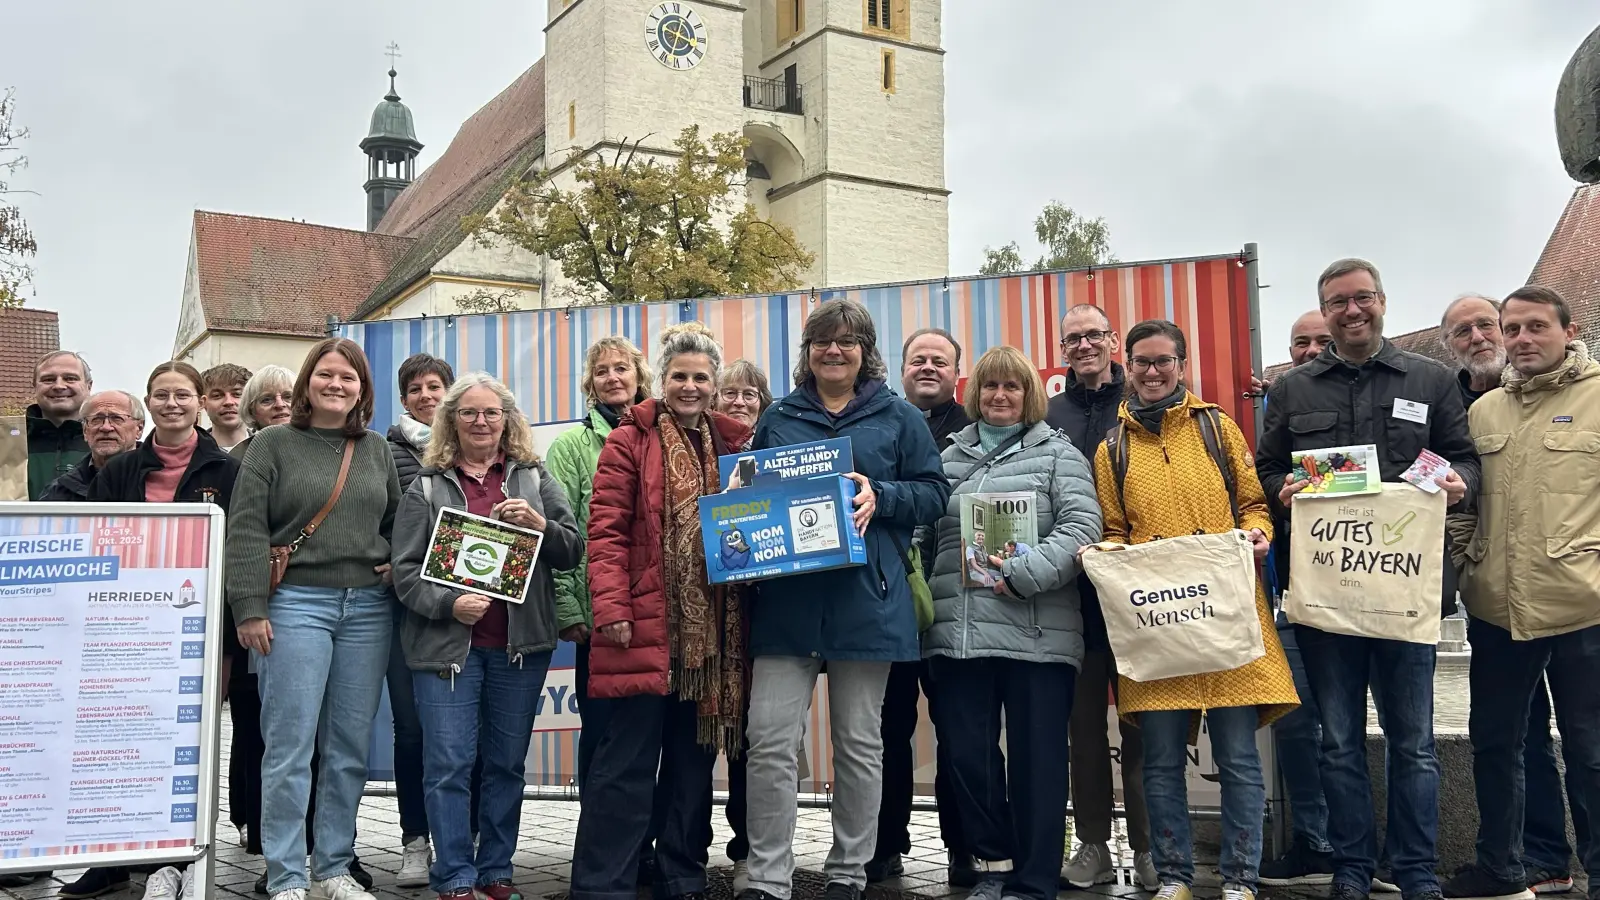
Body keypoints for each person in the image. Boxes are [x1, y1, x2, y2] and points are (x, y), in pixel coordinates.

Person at [1257, 258, 1480, 900]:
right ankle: (1352, 868)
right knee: (1339, 742)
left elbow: (1463, 458)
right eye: (1337, 303)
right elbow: (1267, 470)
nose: (1351, 311)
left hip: (1405, 597)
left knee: (1413, 743)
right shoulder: (1294, 390)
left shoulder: (1432, 379)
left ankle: (1414, 870)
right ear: (1323, 312)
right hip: (1327, 601)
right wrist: (1285, 490)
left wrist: (1461, 484)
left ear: (1382, 300)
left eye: (1362, 299)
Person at [739, 300, 949, 900]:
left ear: (865, 351)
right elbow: (752, 495)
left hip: (870, 602)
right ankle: (769, 874)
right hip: (789, 605)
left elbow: (934, 494)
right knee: (771, 740)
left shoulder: (899, 417)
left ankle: (848, 871)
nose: (835, 351)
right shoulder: (779, 417)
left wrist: (878, 495)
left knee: (860, 744)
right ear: (807, 352)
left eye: (848, 342)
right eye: (823, 342)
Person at [1094, 319, 1298, 900]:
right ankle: (1177, 877)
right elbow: (1114, 528)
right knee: (1159, 760)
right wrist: (1105, 554)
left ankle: (1240, 878)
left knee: (1237, 756)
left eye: (1163, 361)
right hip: (1157, 625)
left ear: (1182, 365)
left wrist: (1259, 535)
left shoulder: (1217, 428)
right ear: (1125, 367)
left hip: (1228, 616)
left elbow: (1255, 503)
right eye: (1141, 362)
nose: (1152, 372)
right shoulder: (1112, 449)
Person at [571, 322, 751, 900]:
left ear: (716, 383)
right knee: (624, 764)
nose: (691, 386)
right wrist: (613, 607)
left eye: (702, 377)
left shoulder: (736, 445)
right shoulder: (631, 440)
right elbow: (605, 532)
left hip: (712, 636)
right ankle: (603, 884)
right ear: (662, 380)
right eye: (680, 376)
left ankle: (682, 875)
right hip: (643, 626)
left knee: (690, 765)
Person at [392, 373, 583, 900]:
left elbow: (572, 550)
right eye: (469, 413)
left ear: (507, 419)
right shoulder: (426, 486)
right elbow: (405, 573)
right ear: (451, 420)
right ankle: (454, 874)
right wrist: (448, 603)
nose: (481, 422)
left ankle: (496, 870)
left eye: (491, 413)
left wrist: (540, 524)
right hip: (447, 650)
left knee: (505, 765)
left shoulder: (533, 478)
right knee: (448, 765)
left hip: (518, 650)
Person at [226, 337, 402, 900]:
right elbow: (247, 529)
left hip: (367, 609)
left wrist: (399, 563)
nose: (337, 385)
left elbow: (399, 520)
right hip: (296, 604)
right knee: (289, 746)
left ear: (362, 389)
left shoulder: (374, 448)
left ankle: (333, 867)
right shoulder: (272, 444)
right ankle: (285, 875)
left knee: (349, 747)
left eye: (348, 378)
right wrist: (250, 608)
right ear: (307, 383)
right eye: (326, 374)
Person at [925, 345, 1101, 900]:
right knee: (966, 757)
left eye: (1013, 387)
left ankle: (1033, 880)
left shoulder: (1060, 455)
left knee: (1039, 763)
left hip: (1038, 633)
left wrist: (1026, 572)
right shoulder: (947, 458)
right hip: (958, 634)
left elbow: (1081, 528)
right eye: (990, 387)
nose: (1000, 396)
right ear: (974, 394)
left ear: (1030, 395)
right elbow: (924, 535)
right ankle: (993, 861)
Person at [1441, 286, 1599, 900]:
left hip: (1583, 606)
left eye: (1536, 327)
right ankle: (1505, 868)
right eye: (1514, 329)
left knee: (1591, 751)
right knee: (1496, 745)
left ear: (1568, 328)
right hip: (1497, 608)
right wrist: (1463, 562)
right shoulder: (1482, 414)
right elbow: (1461, 506)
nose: (1522, 339)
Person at [84, 360, 242, 900]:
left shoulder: (227, 472)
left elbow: (236, 556)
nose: (171, 404)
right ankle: (146, 854)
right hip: (131, 628)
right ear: (147, 404)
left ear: (199, 403)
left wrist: (226, 633)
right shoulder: (120, 471)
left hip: (202, 630)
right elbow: (97, 544)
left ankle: (185, 857)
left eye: (182, 395)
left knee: (194, 747)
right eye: (160, 395)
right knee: (136, 743)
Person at [545, 337, 669, 887]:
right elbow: (569, 532)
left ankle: (645, 847)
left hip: (658, 617)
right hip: (602, 616)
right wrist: (573, 608)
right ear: (589, 383)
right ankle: (599, 848)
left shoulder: (663, 434)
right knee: (603, 740)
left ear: (640, 377)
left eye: (622, 368)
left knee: (652, 740)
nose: (613, 378)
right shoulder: (573, 447)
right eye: (602, 371)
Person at [1043, 303, 1158, 891]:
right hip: (1072, 599)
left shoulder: (1142, 400)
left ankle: (1148, 847)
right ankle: (1092, 844)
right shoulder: (1051, 411)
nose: (1084, 345)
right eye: (1073, 339)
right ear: (1061, 350)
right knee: (1082, 731)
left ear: (1114, 340)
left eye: (1093, 335)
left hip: (1140, 596)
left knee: (1143, 731)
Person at [866, 327, 975, 888]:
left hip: (958, 609)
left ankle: (965, 847)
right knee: (888, 730)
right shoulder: (882, 425)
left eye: (940, 360)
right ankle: (885, 844)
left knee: (961, 731)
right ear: (900, 368)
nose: (927, 368)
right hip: (894, 603)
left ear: (958, 372)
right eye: (917, 360)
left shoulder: (977, 433)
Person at [1258, 310, 1338, 888]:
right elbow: (1259, 480)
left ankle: (1360, 849)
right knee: (1293, 723)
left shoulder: (1388, 391)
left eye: (1322, 342)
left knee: (1355, 727)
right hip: (1291, 592)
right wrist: (1276, 494)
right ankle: (1313, 841)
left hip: (1370, 587)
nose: (1311, 351)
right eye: (1300, 343)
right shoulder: (1279, 407)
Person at [384, 352, 457, 887]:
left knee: (462, 736)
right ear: (403, 397)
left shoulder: (477, 444)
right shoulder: (382, 451)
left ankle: (463, 838)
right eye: (416, 388)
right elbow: (380, 517)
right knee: (412, 731)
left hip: (468, 608)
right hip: (405, 607)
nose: (426, 396)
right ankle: (415, 840)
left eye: (436, 386)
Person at [711, 357, 776, 893]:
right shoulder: (702, 451)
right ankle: (690, 847)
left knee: (755, 739)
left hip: (763, 613)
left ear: (763, 402)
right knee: (711, 734)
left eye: (748, 395)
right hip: (709, 612)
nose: (738, 402)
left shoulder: (777, 454)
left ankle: (749, 850)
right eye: (728, 394)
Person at [36, 391, 144, 503]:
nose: (106, 427)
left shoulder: (158, 481)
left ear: (139, 429)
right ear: (85, 431)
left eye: (117, 418)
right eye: (96, 419)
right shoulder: (60, 491)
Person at [25, 350, 91, 502]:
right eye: (48, 379)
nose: (59, 386)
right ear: (34, 386)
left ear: (89, 386)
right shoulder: (10, 441)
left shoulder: (107, 441)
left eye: (70, 378)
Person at [233, 365, 295, 459]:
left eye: (288, 397)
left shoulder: (321, 446)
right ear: (251, 410)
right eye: (267, 400)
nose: (279, 404)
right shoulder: (237, 460)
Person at [201, 363, 253, 451]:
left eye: (237, 394)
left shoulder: (270, 451)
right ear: (203, 403)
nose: (228, 402)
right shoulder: (188, 455)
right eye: (217, 395)